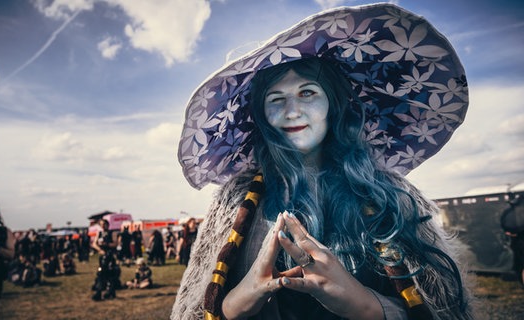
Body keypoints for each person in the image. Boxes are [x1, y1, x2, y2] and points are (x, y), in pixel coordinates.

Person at [172, 4, 473, 320]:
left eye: (307, 93)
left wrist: (368, 306)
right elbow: (195, 308)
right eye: (276, 99)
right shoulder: (234, 199)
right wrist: (237, 302)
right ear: (261, 115)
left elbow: (447, 309)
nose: (292, 111)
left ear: (334, 102)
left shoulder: (391, 194)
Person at [91, 219, 121, 301]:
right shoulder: (99, 233)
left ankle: (110, 291)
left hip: (110, 255)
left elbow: (115, 243)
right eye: (101, 224)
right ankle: (99, 291)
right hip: (102, 256)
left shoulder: (112, 233)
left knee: (110, 273)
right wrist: (99, 250)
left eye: (104, 224)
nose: (103, 226)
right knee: (101, 273)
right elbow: (94, 243)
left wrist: (107, 244)